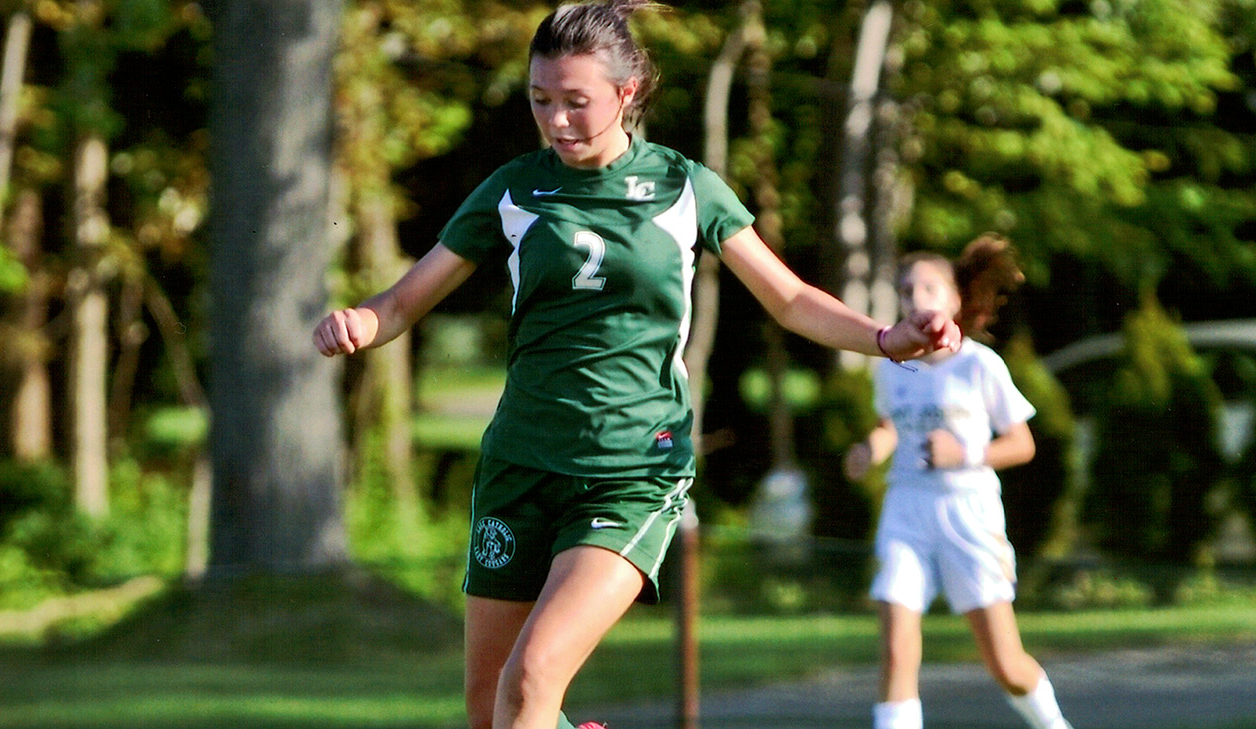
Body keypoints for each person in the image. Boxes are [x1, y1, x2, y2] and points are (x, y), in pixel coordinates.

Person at [314, 3, 959, 728]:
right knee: (488, 706)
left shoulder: (686, 187)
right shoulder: (514, 189)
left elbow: (790, 299)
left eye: (575, 102)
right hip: (519, 467)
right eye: (540, 101)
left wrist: (886, 337)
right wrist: (361, 322)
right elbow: (402, 302)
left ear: (627, 93)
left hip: (631, 471)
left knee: (529, 680)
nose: (555, 120)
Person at [844, 234, 1074, 729]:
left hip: (968, 513)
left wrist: (963, 452)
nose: (917, 298)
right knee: (896, 651)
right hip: (906, 510)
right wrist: (870, 450)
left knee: (1006, 666)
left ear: (954, 299)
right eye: (907, 290)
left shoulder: (979, 364)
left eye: (930, 287)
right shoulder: (892, 364)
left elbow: (1022, 444)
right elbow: (890, 427)